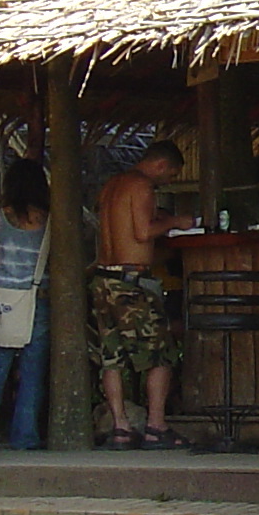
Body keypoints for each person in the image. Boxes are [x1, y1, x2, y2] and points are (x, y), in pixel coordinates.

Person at [94, 140, 189, 450]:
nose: (169, 180)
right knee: (162, 353)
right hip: (130, 281)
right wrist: (175, 221)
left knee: (113, 356)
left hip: (104, 279)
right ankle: (156, 426)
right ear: (161, 165)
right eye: (172, 174)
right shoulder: (142, 185)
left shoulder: (113, 185)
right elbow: (142, 232)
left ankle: (120, 427)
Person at [0, 158, 52, 452]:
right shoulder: (49, 221)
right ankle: (26, 437)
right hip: (39, 301)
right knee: (33, 370)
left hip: (4, 301)